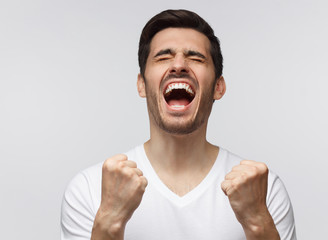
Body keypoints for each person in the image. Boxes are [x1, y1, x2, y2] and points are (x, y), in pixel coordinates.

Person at [61, 9, 296, 240]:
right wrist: (109, 222)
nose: (179, 65)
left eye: (196, 58)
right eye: (163, 57)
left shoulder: (263, 190)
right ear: (141, 84)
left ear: (218, 87)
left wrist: (258, 222)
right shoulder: (91, 188)